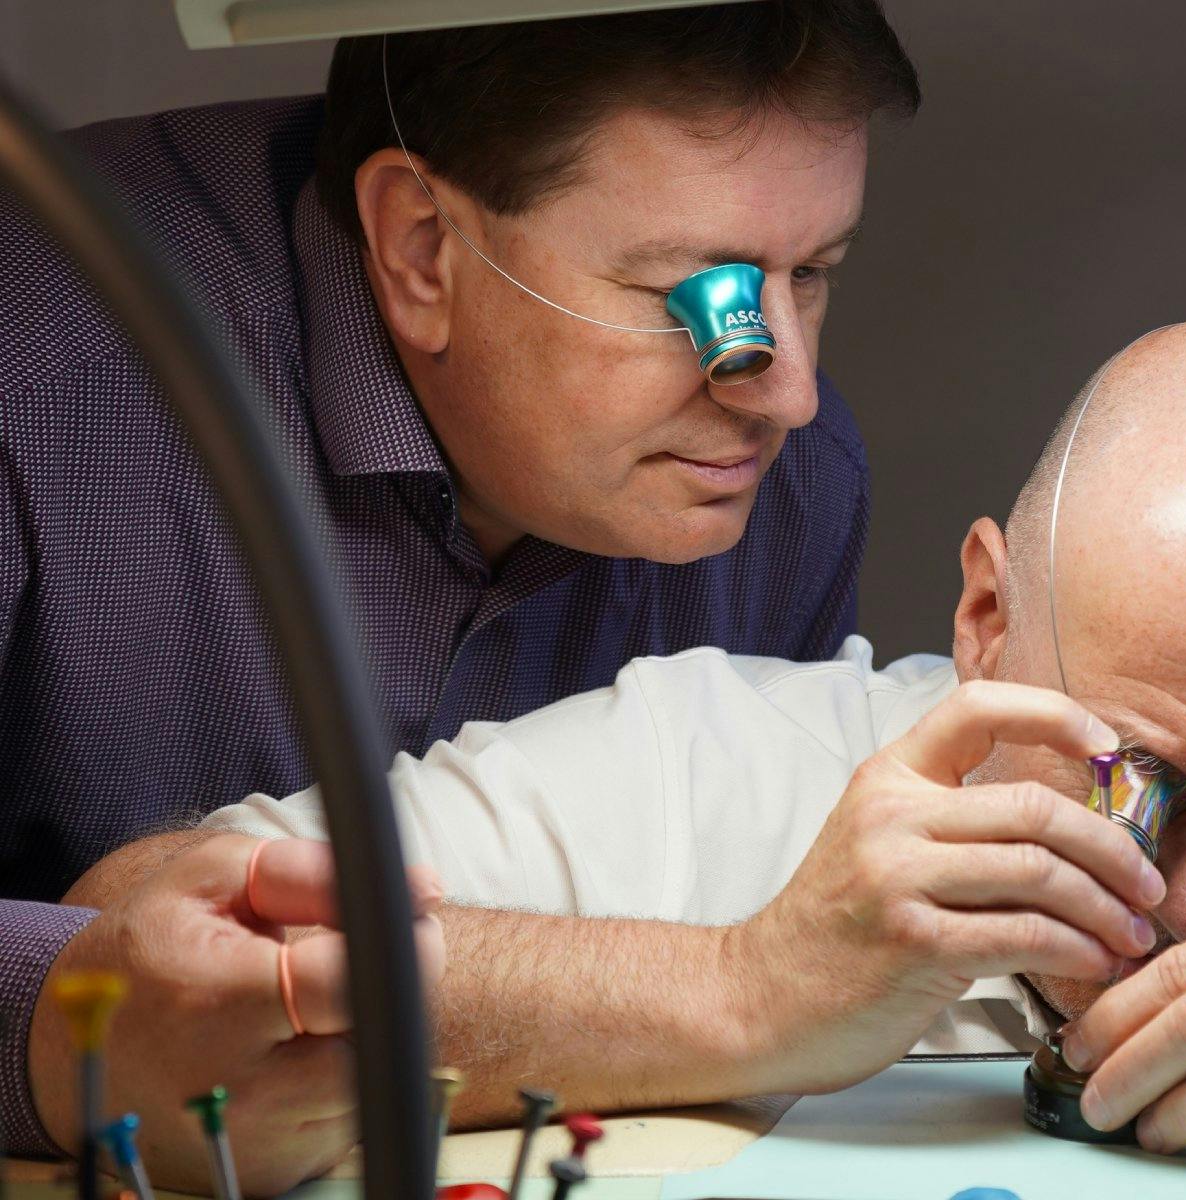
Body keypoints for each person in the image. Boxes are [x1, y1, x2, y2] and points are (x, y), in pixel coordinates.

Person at [84, 318, 1186, 1180]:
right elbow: (131, 943)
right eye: (1137, 780)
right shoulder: (707, 766)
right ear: (986, 621)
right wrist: (747, 985)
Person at [0, 3, 918, 1192]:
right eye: (701, 294)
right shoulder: (35, 381)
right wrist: (55, 1032)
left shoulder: (788, 495)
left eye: (815, 274)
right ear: (422, 248)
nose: (784, 394)